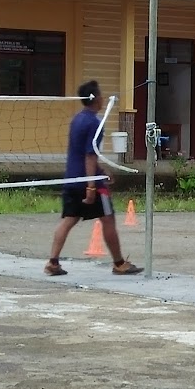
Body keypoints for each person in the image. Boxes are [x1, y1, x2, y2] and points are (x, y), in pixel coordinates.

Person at [44, 80, 143, 276]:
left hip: (72, 178)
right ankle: (119, 263)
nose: (103, 99)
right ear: (96, 98)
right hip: (89, 182)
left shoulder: (77, 119)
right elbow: (89, 155)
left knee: (69, 219)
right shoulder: (94, 123)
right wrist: (91, 186)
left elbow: (84, 153)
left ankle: (53, 263)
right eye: (101, 95)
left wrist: (102, 169)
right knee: (108, 219)